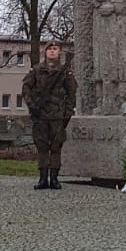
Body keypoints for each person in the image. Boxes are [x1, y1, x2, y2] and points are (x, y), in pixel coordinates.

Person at [23, 40, 77, 190]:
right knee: (41, 147)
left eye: (55, 49)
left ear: (59, 52)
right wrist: (32, 106)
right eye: (50, 49)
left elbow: (72, 94)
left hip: (58, 116)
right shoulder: (36, 70)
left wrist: (67, 112)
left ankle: (54, 178)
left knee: (56, 147)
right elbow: (26, 89)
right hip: (40, 115)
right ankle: (42, 179)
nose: (52, 51)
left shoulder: (65, 72)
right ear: (45, 52)